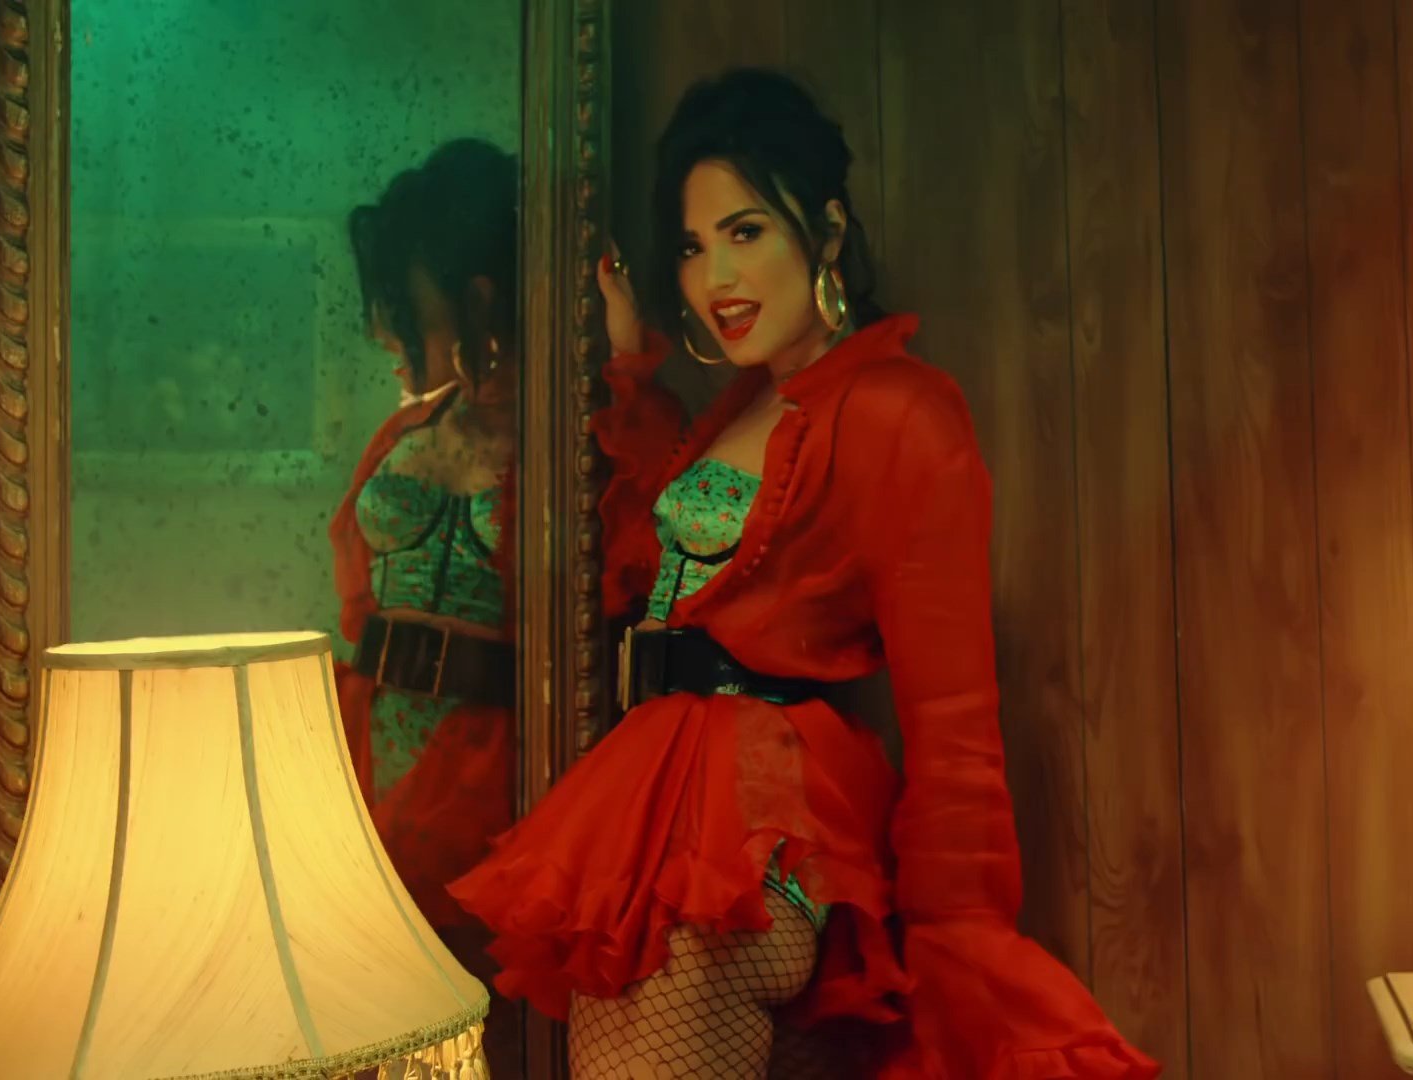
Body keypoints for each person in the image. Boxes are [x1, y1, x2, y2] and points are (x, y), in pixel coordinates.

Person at [448, 70, 1159, 1079]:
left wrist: (961, 936)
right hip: (662, 816)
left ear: (825, 232)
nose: (715, 277)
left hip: (754, 829)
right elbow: (667, 570)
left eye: (745, 232)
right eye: (692, 246)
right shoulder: (747, 404)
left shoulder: (900, 410)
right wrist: (631, 369)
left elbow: (953, 718)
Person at [329, 138, 524, 1075]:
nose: (382, 330)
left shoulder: (576, 433)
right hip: (366, 748)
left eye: (403, 306)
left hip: (489, 772)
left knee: (451, 1027)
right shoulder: (406, 428)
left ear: (477, 296)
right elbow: (357, 598)